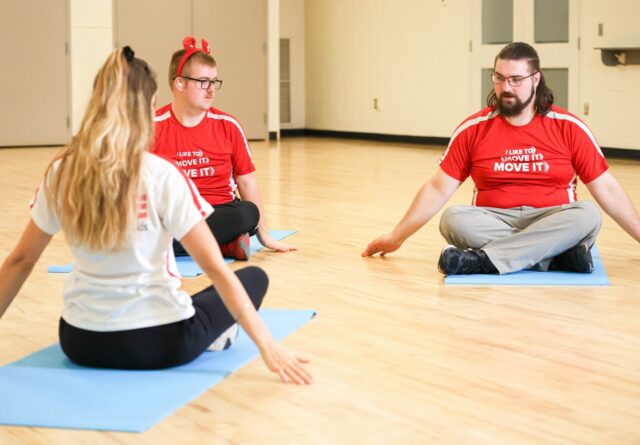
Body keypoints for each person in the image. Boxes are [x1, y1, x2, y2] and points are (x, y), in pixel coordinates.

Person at [0, 47, 313, 384]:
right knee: (253, 278)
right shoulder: (162, 174)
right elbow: (213, 268)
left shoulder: (62, 171)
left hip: (80, 341)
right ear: (149, 109)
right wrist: (267, 343)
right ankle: (218, 336)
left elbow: (20, 262)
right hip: (159, 344)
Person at [362, 42, 640, 275]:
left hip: (553, 217)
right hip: (494, 219)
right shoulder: (473, 129)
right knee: (453, 219)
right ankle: (552, 257)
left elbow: (607, 188)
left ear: (535, 79)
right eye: (499, 78)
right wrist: (397, 236)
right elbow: (438, 189)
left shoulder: (568, 127)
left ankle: (485, 261)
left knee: (587, 215)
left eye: (516, 79)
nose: (506, 87)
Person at [153, 36, 294, 260]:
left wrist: (264, 236)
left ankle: (175, 245)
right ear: (179, 83)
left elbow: (247, 181)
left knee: (248, 213)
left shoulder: (228, 125)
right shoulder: (151, 127)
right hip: (173, 215)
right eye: (203, 82)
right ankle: (223, 244)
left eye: (214, 81)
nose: (211, 90)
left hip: (218, 212)